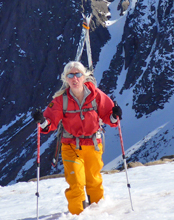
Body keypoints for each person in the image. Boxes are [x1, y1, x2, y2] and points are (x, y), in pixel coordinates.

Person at [32, 61, 123, 215]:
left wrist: (115, 115)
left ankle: (98, 215)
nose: (75, 78)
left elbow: (110, 118)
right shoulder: (61, 100)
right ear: (66, 79)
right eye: (70, 75)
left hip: (93, 144)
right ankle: (78, 216)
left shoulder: (96, 95)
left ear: (84, 76)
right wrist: (42, 121)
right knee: (76, 184)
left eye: (78, 74)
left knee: (94, 181)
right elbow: (49, 123)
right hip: (71, 146)